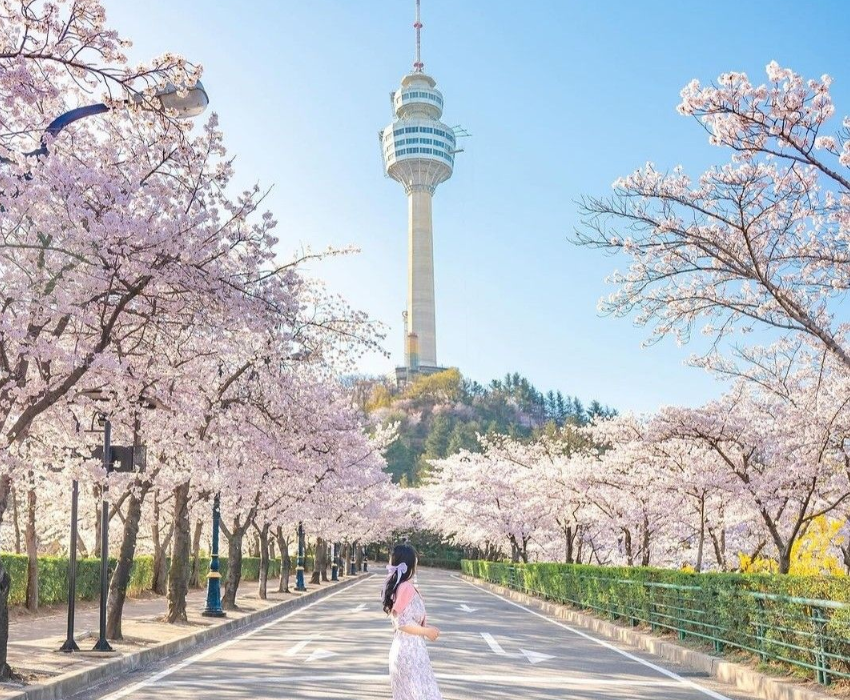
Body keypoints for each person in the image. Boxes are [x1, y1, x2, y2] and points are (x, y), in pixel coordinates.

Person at [382, 542, 444, 700]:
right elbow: (402, 623)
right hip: (410, 653)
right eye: (415, 563)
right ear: (409, 565)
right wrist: (427, 631)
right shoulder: (405, 588)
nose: (417, 567)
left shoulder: (398, 586)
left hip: (404, 650)